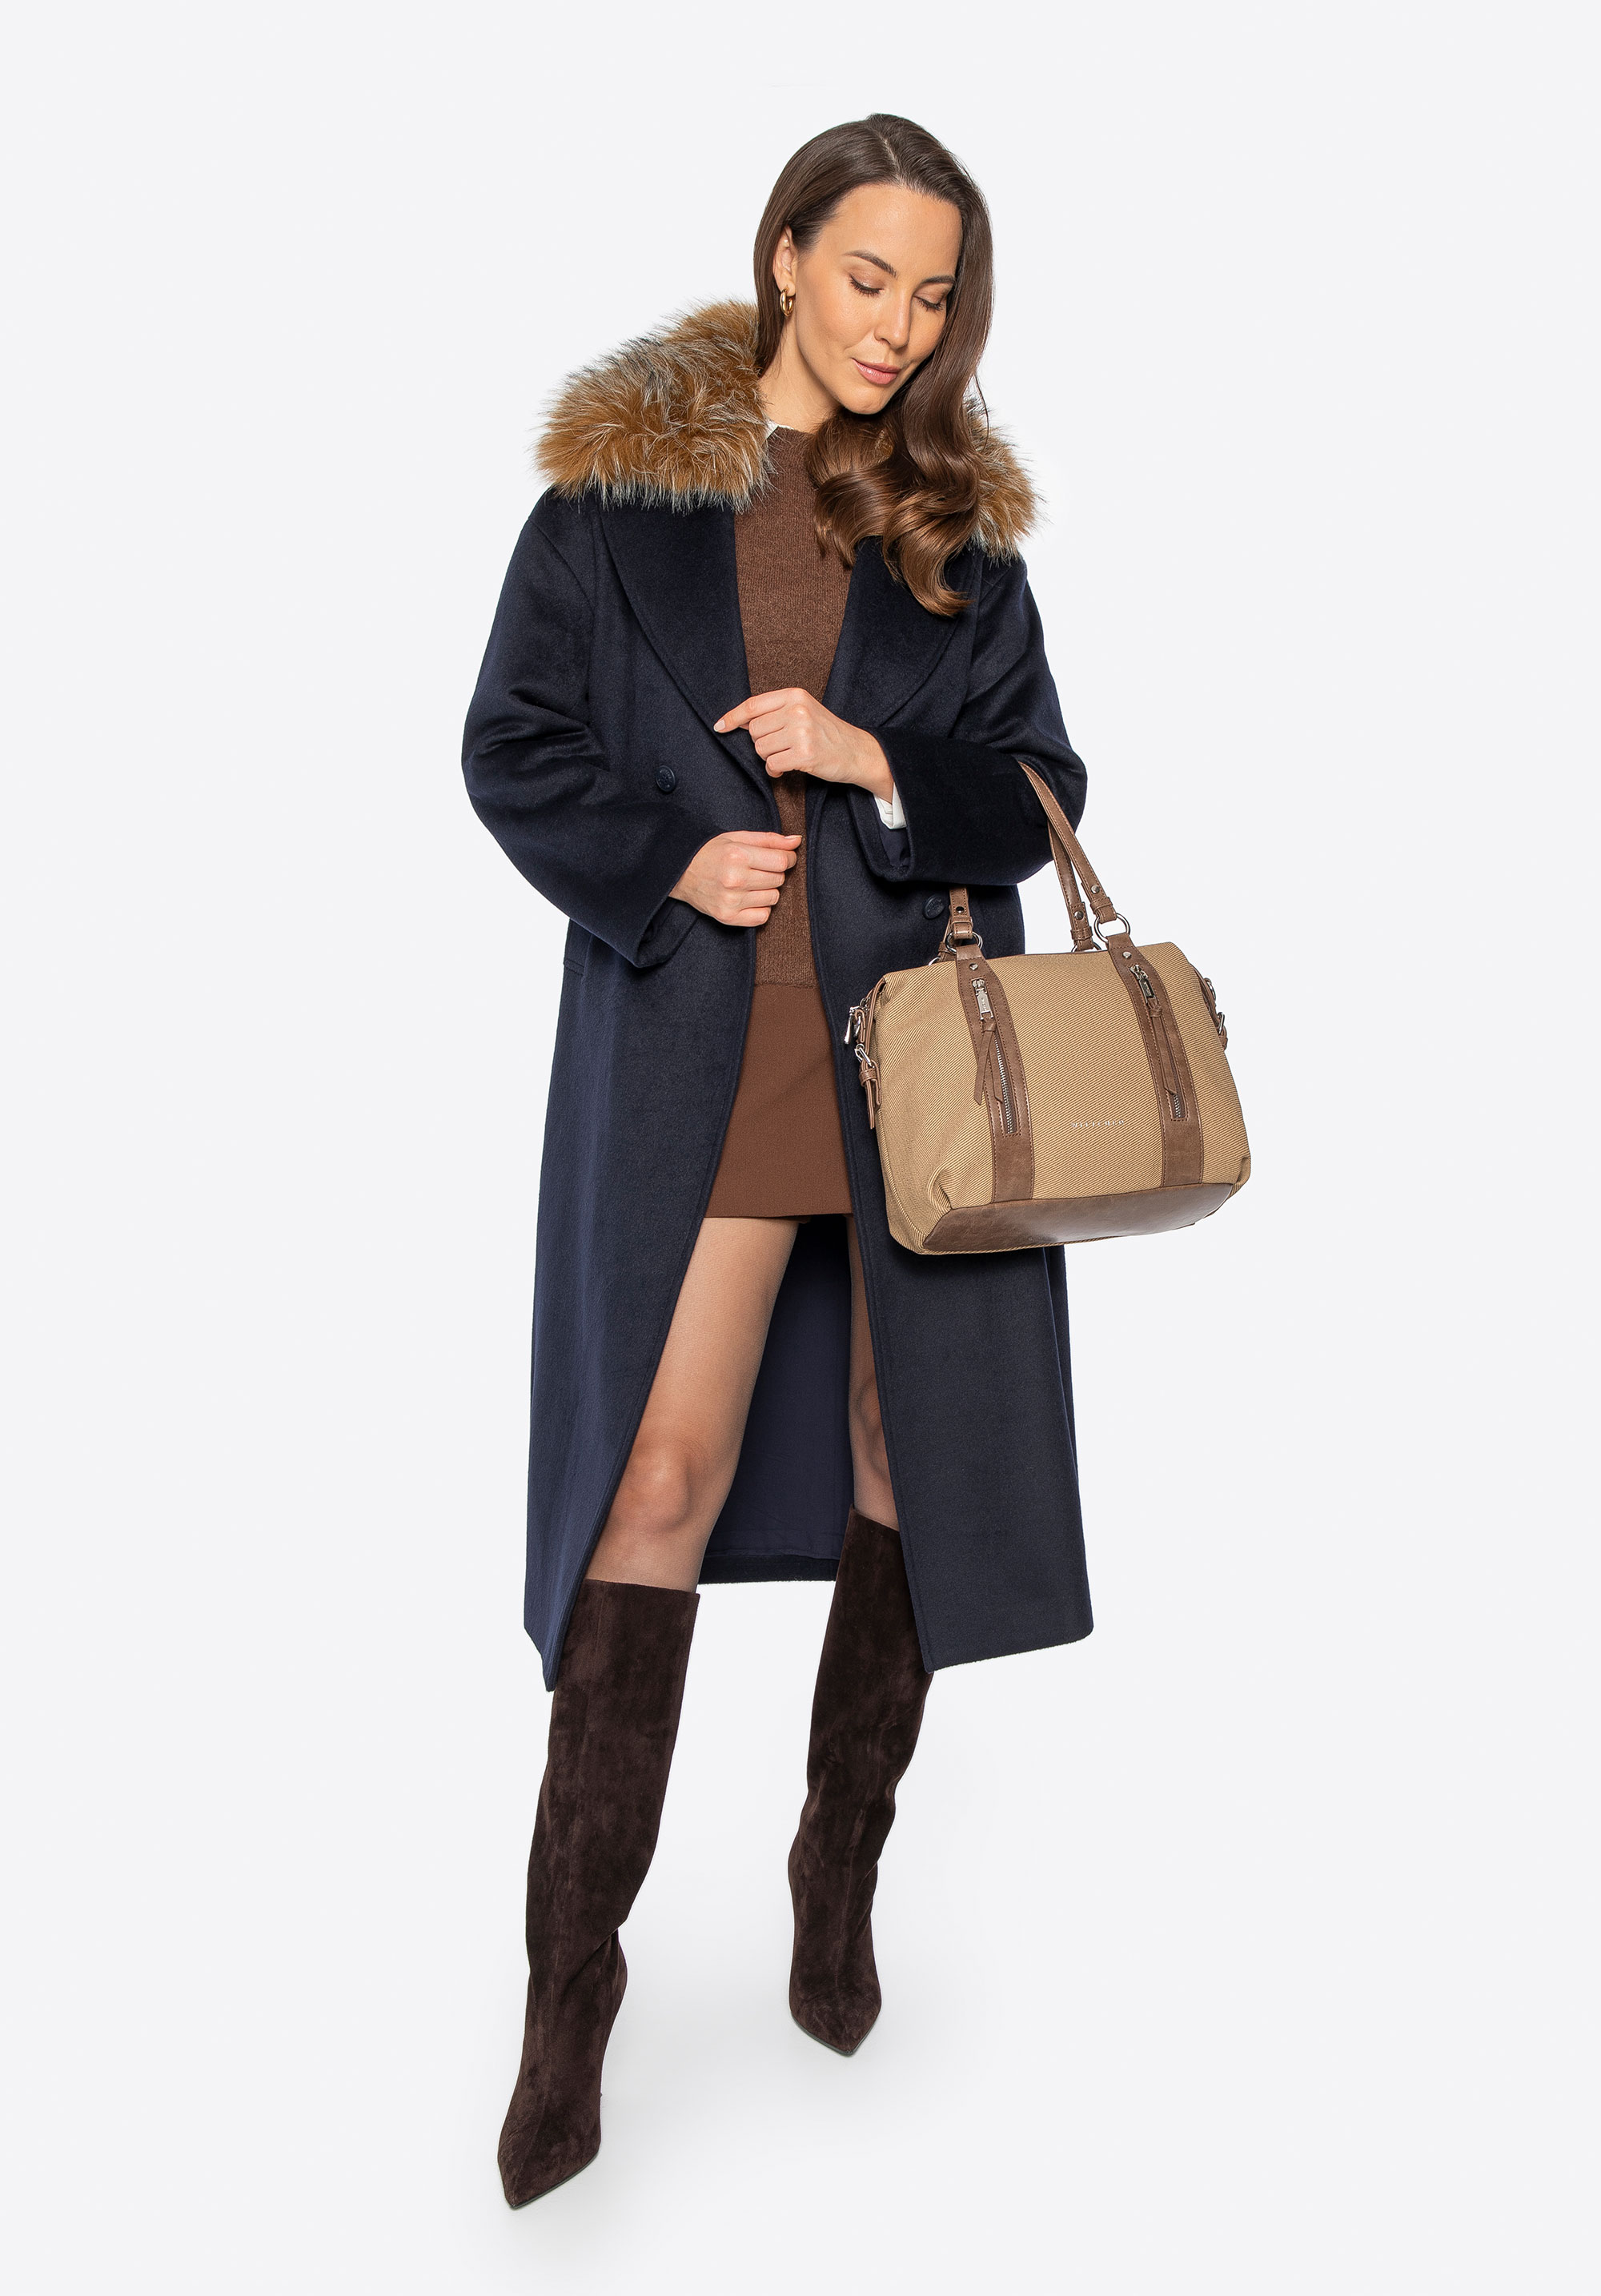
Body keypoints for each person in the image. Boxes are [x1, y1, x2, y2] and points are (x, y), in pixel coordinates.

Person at [463, 112, 1093, 2208]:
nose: (898, 326)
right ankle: (570, 2002)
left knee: (912, 1461)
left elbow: (1045, 785)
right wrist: (667, 857)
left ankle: (839, 1871)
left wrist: (873, 760)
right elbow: (509, 743)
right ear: (788, 253)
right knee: (656, 1475)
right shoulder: (616, 502)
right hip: (706, 1062)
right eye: (868, 275)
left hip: (915, 1067)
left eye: (935, 294)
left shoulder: (958, 533)